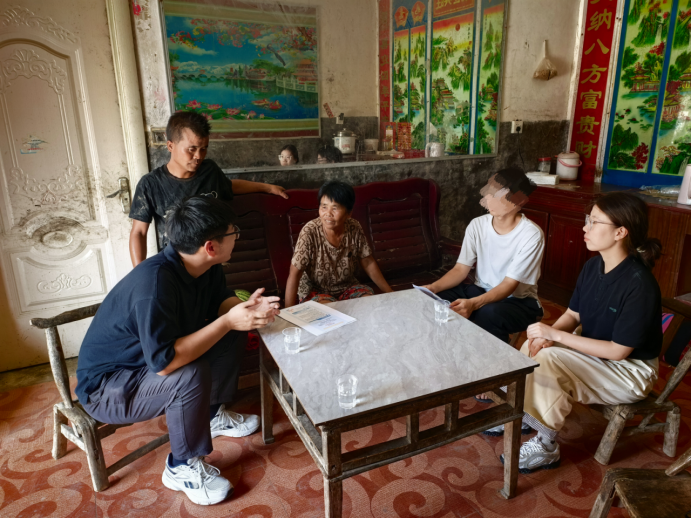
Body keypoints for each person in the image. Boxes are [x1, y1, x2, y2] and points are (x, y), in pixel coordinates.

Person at [76, 196, 281, 505]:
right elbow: (166, 363)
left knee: (232, 332)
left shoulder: (203, 264)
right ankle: (180, 466)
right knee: (189, 374)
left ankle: (210, 415)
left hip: (145, 365)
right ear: (210, 246)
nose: (237, 236)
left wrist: (246, 310)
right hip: (107, 388)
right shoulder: (155, 285)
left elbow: (221, 300)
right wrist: (228, 320)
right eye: (233, 231)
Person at [487, 192, 663, 474]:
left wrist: (555, 336)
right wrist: (546, 336)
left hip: (630, 371)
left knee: (550, 359)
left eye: (594, 222)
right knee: (534, 346)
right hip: (597, 354)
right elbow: (573, 315)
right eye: (587, 220)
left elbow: (619, 351)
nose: (585, 227)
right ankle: (519, 412)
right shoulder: (593, 266)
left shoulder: (639, 284)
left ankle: (546, 445)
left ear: (620, 232)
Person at [129, 111, 289, 267]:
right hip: (176, 266)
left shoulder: (210, 170)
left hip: (213, 262)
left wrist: (268, 188)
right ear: (170, 145)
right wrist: (140, 274)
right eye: (191, 149)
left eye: (204, 148)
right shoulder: (150, 184)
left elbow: (229, 186)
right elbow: (139, 232)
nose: (198, 156)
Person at [422, 167, 545, 344]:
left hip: (519, 301)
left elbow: (509, 284)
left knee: (488, 313)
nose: (488, 199)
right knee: (436, 300)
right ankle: (449, 348)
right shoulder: (477, 225)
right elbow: (460, 269)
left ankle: (494, 359)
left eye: (498, 194)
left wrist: (474, 303)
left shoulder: (531, 234)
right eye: (489, 192)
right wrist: (433, 288)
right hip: (481, 290)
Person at [285, 180, 393, 307]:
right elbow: (294, 273)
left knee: (370, 304)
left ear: (349, 213)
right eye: (324, 207)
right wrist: (288, 312)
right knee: (331, 312)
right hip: (316, 291)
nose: (328, 214)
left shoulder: (354, 227)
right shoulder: (310, 232)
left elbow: (367, 261)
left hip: (348, 287)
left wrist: (390, 293)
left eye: (335, 208)